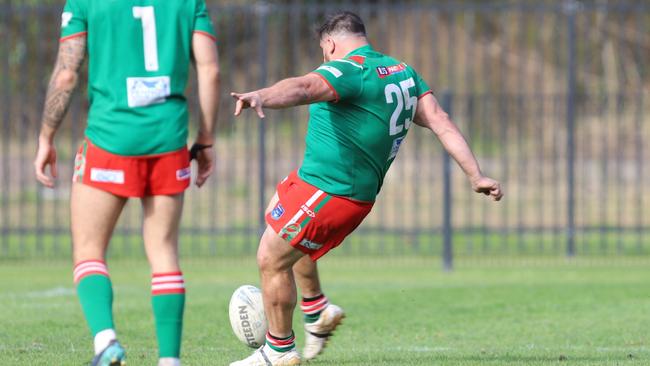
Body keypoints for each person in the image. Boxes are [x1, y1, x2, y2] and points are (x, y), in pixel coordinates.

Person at [229, 11, 503, 366]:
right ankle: (316, 311)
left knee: (270, 257)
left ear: (329, 44)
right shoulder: (403, 73)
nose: (323, 60)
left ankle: (277, 351)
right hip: (335, 190)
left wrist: (263, 95)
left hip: (330, 191)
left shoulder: (348, 70)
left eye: (323, 52)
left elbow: (304, 87)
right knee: (279, 218)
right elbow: (441, 121)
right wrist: (476, 174)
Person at [33, 1, 220, 365]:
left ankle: (106, 342)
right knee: (164, 251)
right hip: (167, 139)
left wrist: (45, 136)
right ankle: (170, 360)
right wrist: (207, 138)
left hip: (110, 139)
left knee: (88, 250)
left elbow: (66, 74)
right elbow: (210, 70)